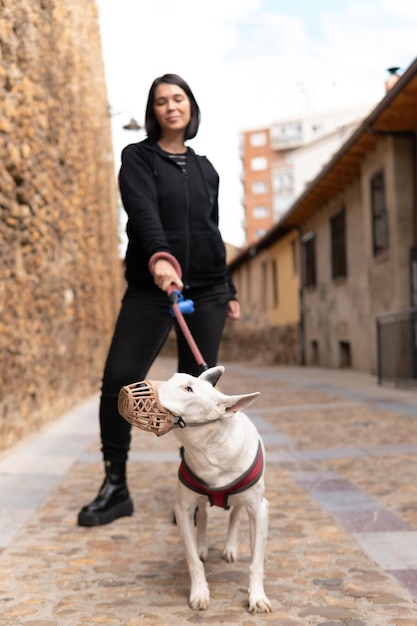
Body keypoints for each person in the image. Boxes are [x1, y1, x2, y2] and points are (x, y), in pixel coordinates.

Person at [77, 73, 240, 526]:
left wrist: (229, 288)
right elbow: (143, 213)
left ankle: (196, 486)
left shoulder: (207, 168)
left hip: (207, 289)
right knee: (119, 379)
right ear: (153, 112)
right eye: (162, 101)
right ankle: (115, 487)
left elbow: (212, 229)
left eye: (178, 98)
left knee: (197, 389)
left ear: (190, 106)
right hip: (152, 286)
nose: (171, 107)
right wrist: (161, 258)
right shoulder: (138, 157)